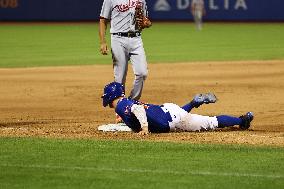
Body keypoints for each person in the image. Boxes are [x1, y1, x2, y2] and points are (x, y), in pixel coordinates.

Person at [101, 82, 254, 135]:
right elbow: (135, 110)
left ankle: (243, 121)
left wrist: (145, 128)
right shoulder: (125, 103)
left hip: (173, 118)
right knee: (179, 115)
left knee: (211, 122)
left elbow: (138, 110)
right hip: (169, 110)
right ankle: (194, 103)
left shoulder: (121, 105)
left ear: (110, 96)